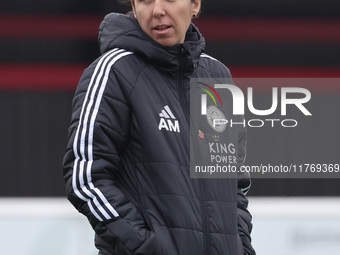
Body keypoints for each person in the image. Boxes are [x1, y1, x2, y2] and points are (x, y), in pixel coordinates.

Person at [63, 0, 255, 254]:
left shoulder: (217, 76)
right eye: (145, 1)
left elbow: (235, 183)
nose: (157, 10)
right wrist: (145, 246)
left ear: (195, 5)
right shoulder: (113, 71)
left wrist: (240, 246)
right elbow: (85, 178)